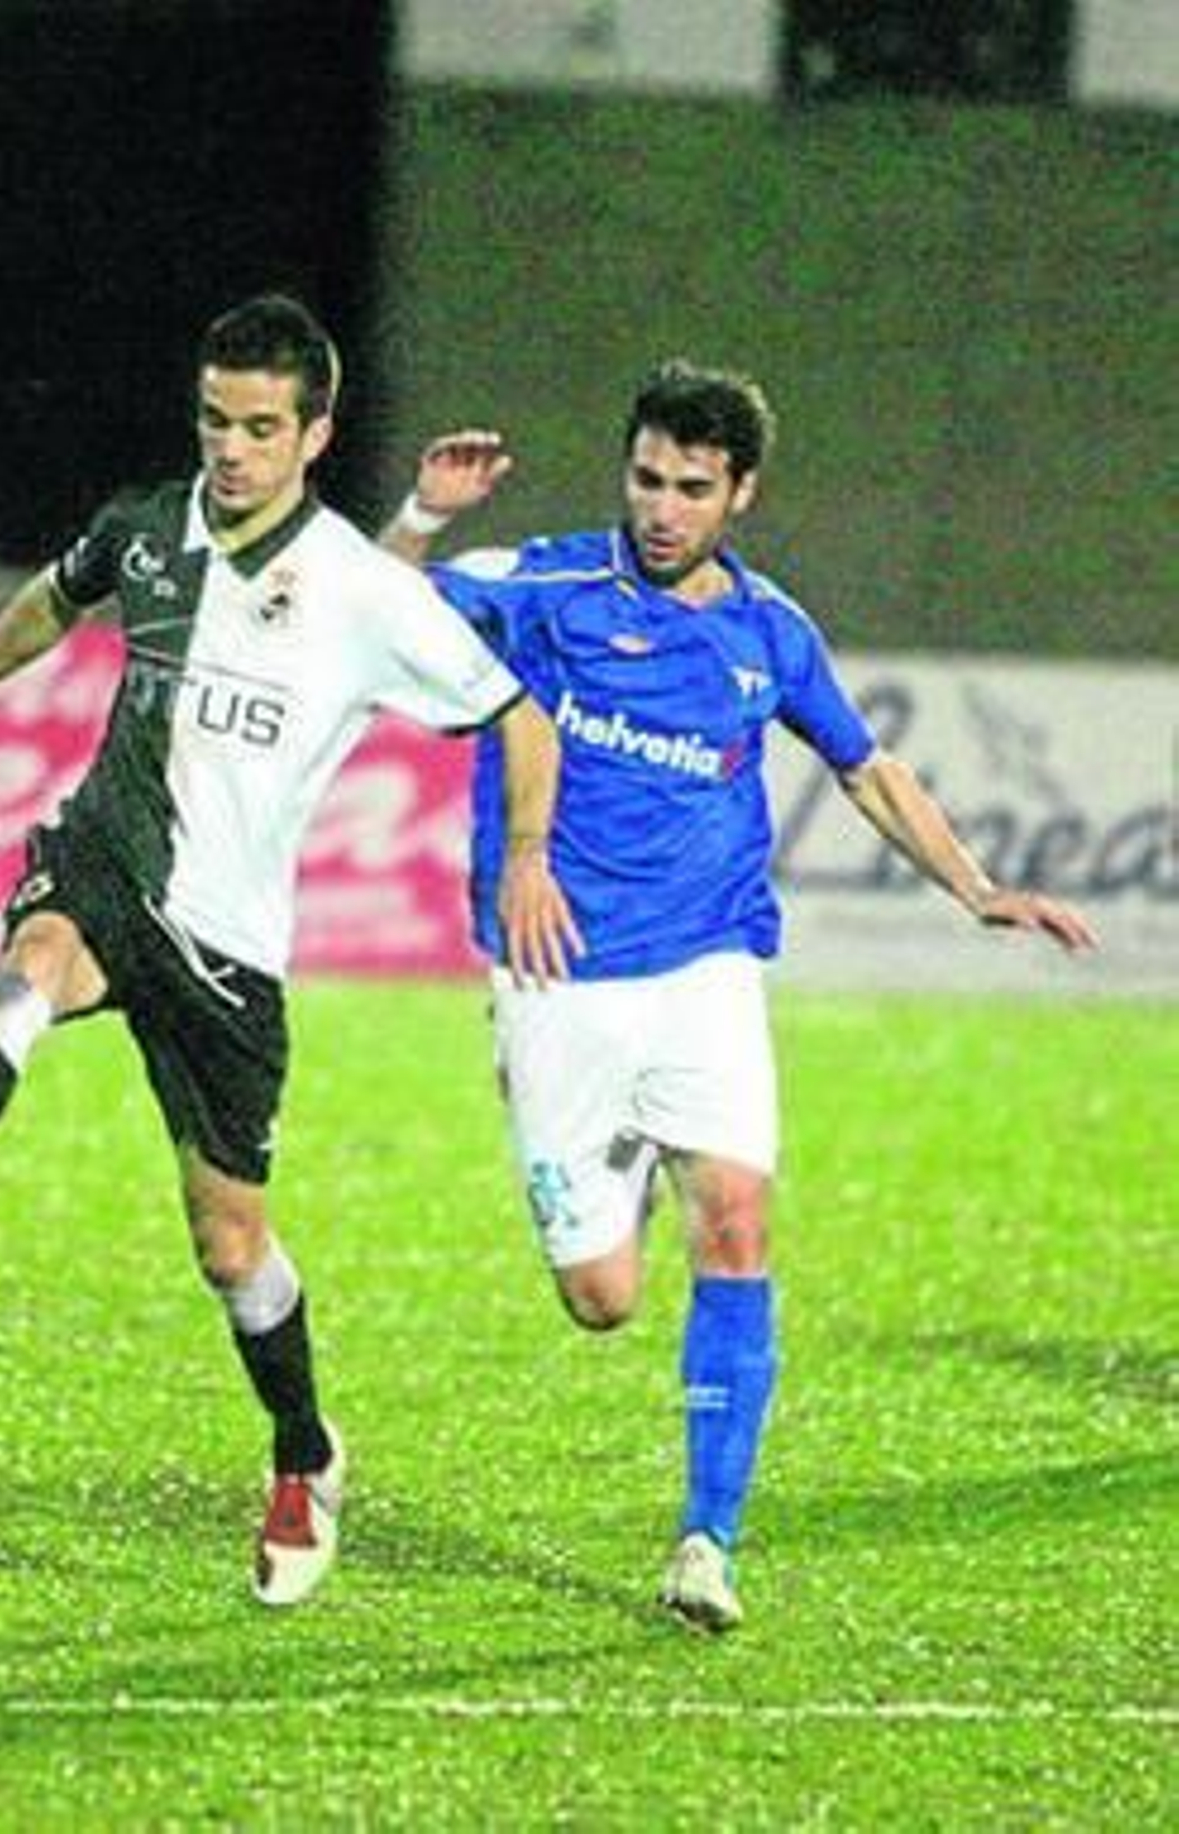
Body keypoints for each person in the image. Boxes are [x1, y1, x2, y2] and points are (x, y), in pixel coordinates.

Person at [0, 293, 574, 1609]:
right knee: (33, 960)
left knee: (231, 1245)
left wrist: (525, 852)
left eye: (257, 428)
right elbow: (50, 600)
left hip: (230, 955)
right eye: (212, 420)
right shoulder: (146, 528)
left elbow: (522, 720)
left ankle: (303, 1451)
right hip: (105, 860)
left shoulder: (361, 590)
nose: (228, 450)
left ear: (313, 434)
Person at [381, 362, 1096, 1632]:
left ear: (740, 494)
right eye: (646, 479)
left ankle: (706, 1540)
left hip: (707, 965)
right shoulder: (541, 585)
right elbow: (368, 622)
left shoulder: (769, 632)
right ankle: (606, 1155)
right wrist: (426, 520)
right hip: (559, 977)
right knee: (600, 1299)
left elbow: (868, 770)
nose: (662, 508)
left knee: (737, 1222)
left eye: (691, 488)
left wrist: (976, 890)